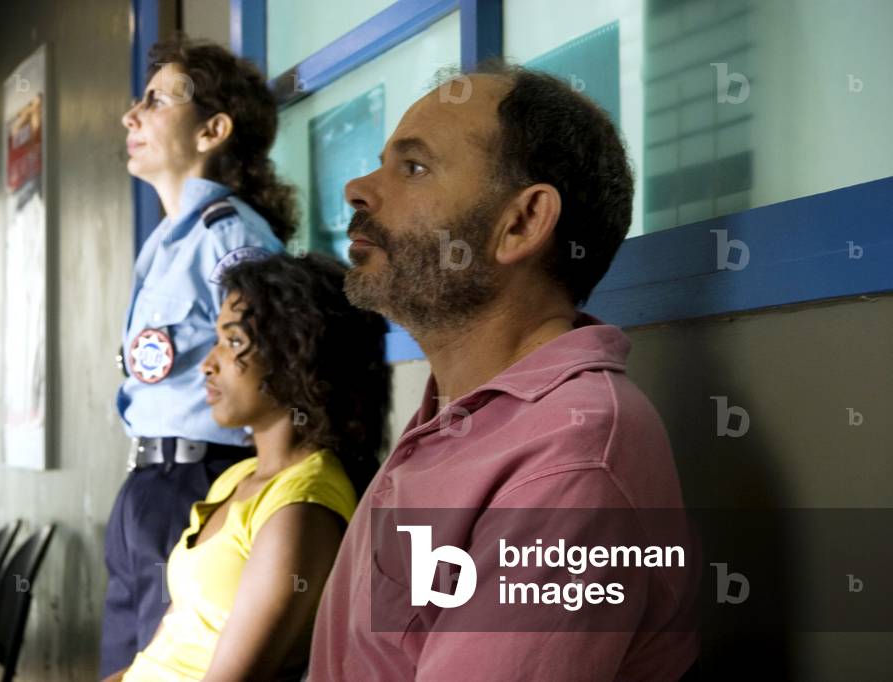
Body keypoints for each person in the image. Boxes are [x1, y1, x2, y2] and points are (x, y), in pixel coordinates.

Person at [309, 63, 700, 680]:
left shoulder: (574, 457)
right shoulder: (453, 416)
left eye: (412, 167)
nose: (358, 188)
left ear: (520, 223)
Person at [101, 37, 298, 677]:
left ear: (213, 129)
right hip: (149, 480)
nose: (132, 116)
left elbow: (273, 354)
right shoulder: (166, 239)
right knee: (123, 665)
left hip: (202, 477)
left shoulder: (229, 234)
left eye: (156, 101)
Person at [107, 252, 391, 681]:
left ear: (298, 354)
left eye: (233, 341)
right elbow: (171, 642)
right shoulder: (237, 477)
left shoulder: (301, 508)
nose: (209, 363)